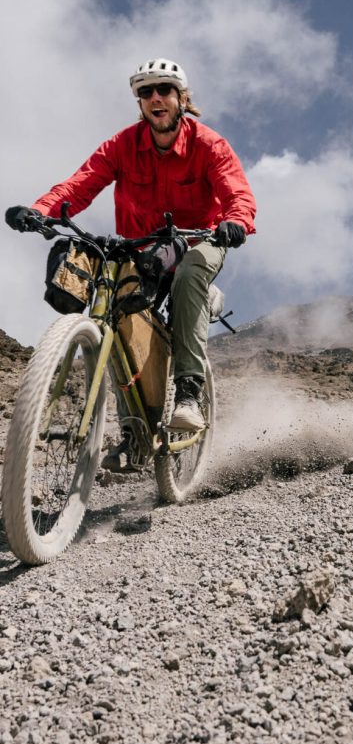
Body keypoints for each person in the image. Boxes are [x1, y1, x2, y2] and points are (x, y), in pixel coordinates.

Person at [5, 57, 256, 470]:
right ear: (139, 102)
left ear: (181, 98)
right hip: (142, 247)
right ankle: (134, 433)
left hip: (201, 237)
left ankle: (189, 393)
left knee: (191, 272)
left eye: (164, 90)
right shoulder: (123, 145)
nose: (155, 98)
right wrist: (41, 211)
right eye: (146, 92)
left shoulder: (208, 144)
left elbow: (237, 192)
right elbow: (81, 183)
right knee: (117, 315)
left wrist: (235, 221)